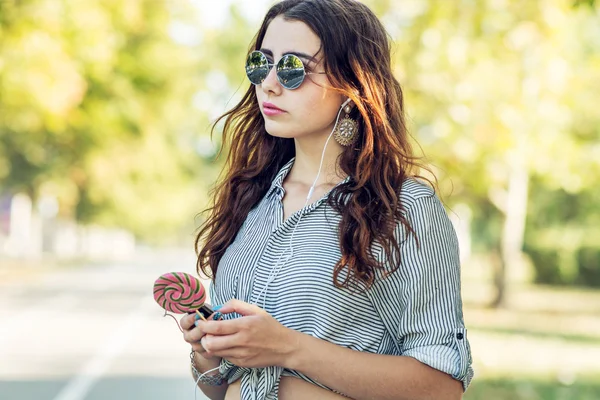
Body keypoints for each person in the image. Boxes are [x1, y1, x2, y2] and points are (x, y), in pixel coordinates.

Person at [179, 0, 474, 399]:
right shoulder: (251, 199)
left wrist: (289, 348)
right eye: (261, 63)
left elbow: (442, 387)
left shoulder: (403, 208)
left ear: (352, 83)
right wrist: (208, 350)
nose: (269, 82)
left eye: (293, 68)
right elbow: (224, 388)